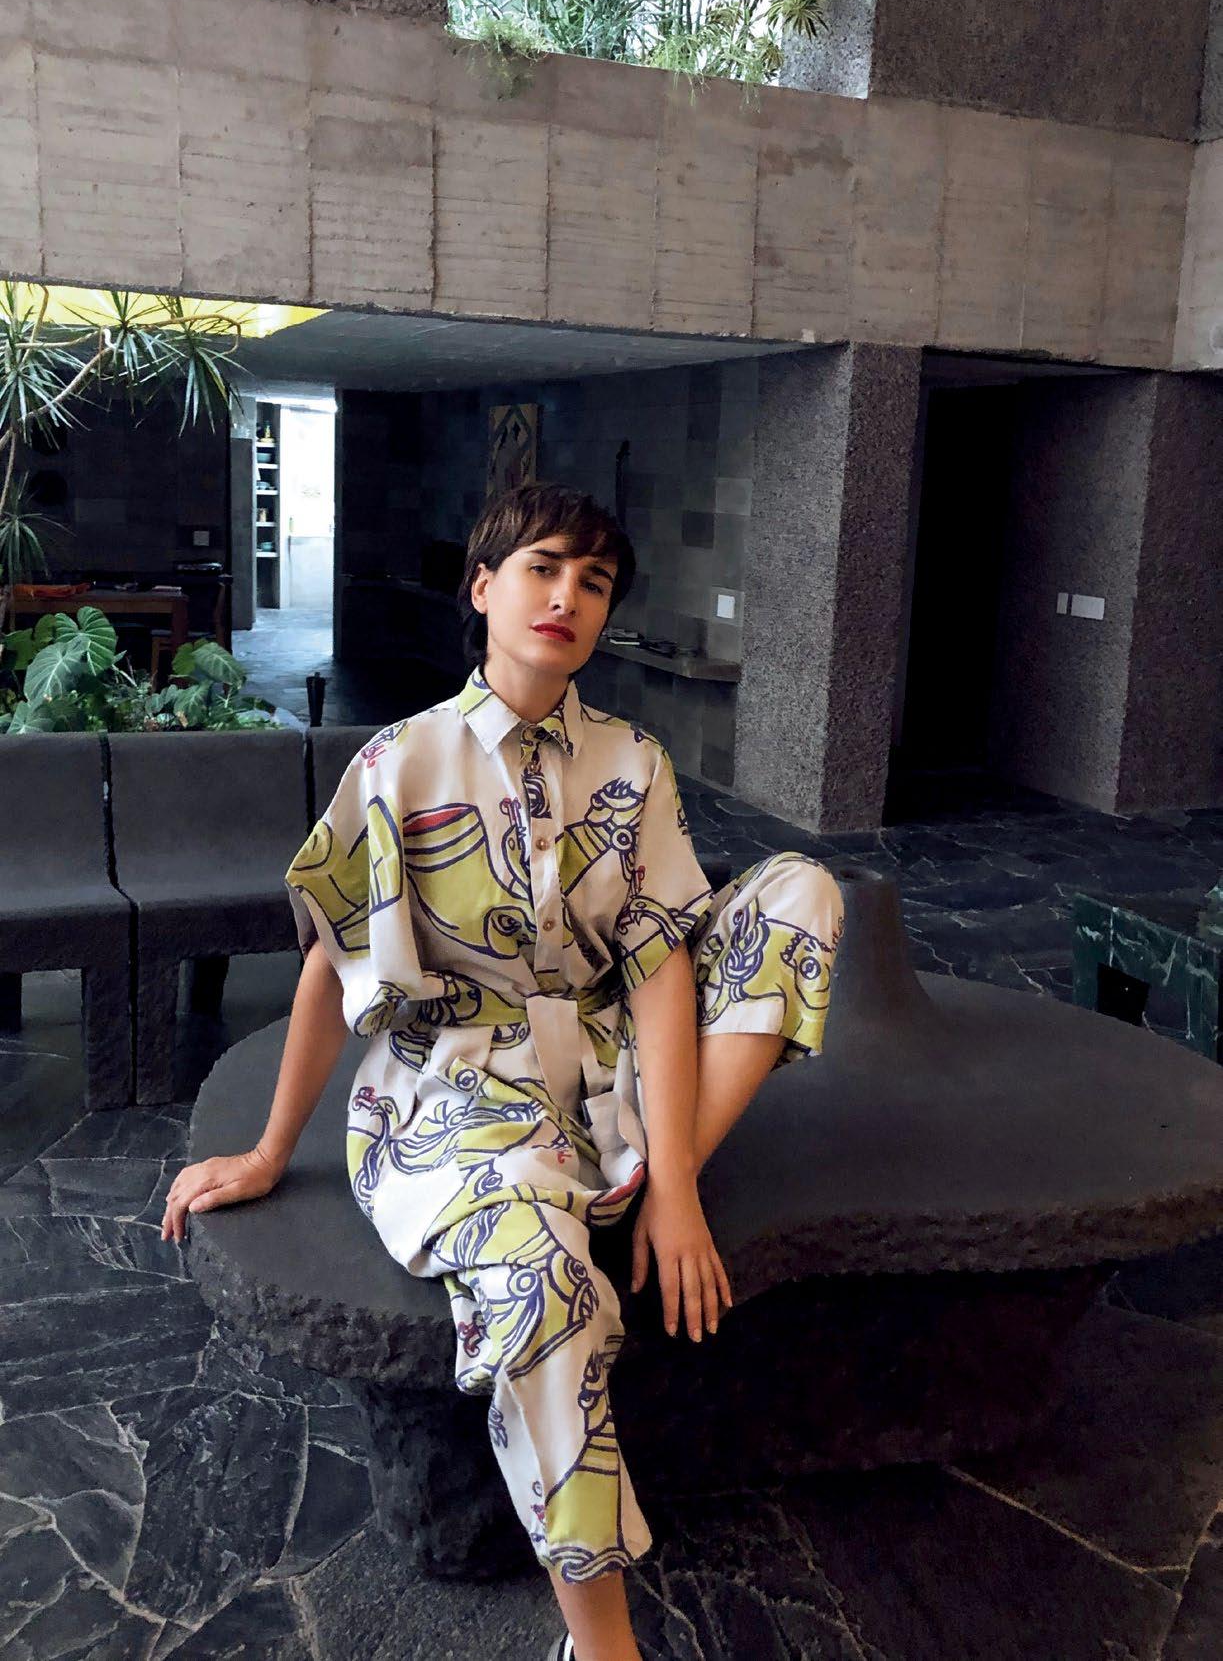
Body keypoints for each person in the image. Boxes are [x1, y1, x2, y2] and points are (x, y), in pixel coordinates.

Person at [162, 481, 844, 1661]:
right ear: (482, 589)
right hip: (459, 1092)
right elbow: (330, 964)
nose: (566, 597)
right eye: (541, 568)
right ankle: (602, 1644)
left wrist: (679, 1186)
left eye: (593, 581)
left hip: (611, 1063)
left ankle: (642, 1179)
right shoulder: (400, 762)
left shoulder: (633, 762)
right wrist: (272, 1152)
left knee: (800, 891)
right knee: (543, 1296)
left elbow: (659, 962)